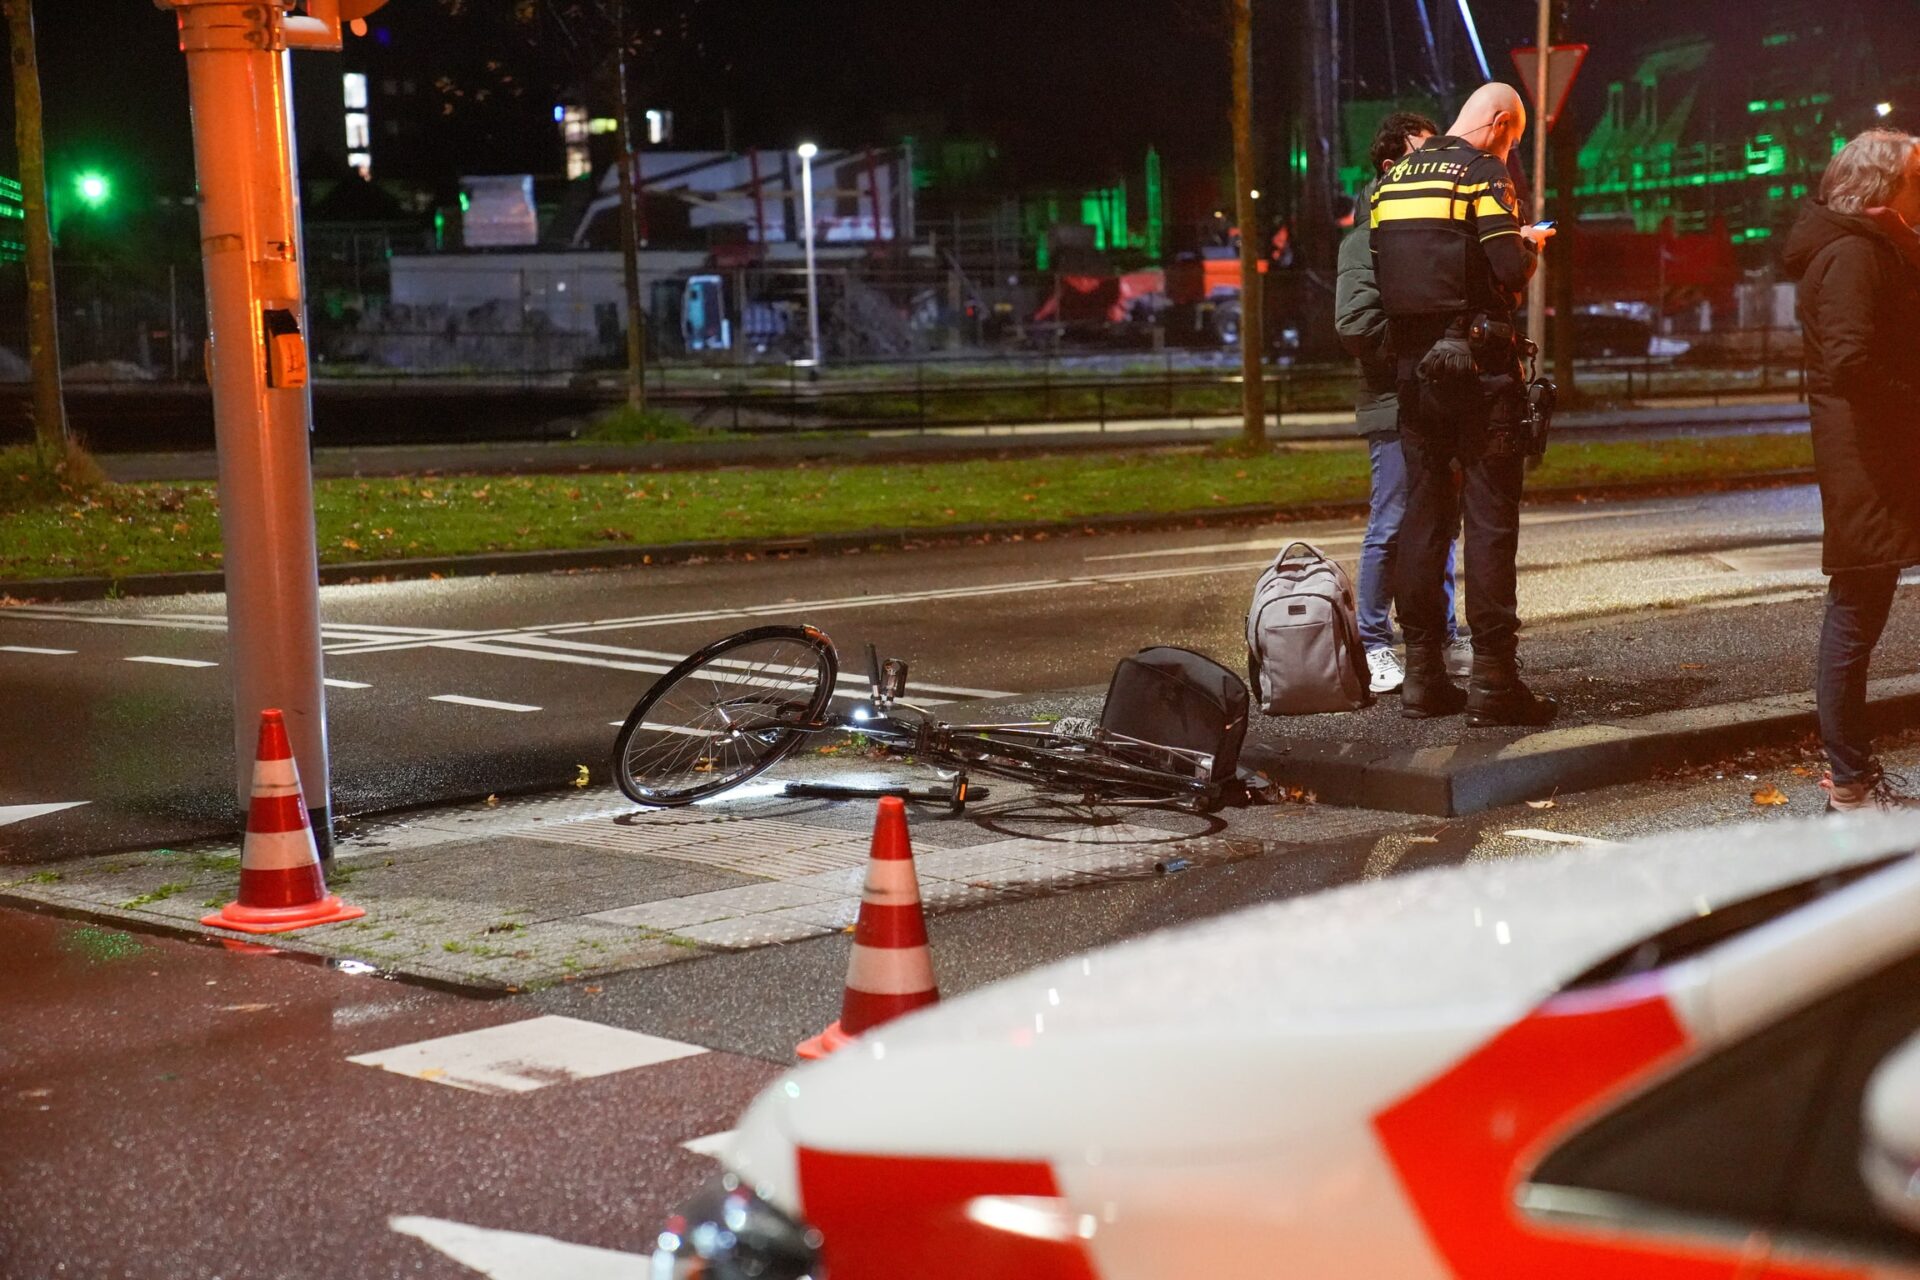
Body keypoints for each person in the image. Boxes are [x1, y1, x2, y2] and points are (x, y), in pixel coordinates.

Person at [1369, 83, 1557, 724]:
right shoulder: (1481, 174)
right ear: (1501, 124)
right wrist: (1529, 244)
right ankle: (1495, 685)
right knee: (1489, 523)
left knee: (1423, 522)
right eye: (1513, 140)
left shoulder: (1390, 185)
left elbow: (1387, 272)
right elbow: (1506, 270)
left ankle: (1422, 677)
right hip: (1482, 376)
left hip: (1415, 378)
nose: (1510, 153)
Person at [1782, 127, 1920, 811]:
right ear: (1887, 186)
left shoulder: (1874, 249)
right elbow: (1852, 361)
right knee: (1857, 610)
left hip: (1883, 453)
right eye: (1917, 178)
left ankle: (1852, 775)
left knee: (1861, 607)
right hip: (1868, 457)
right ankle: (1850, 779)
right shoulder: (1852, 256)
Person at [1335, 109, 1471, 695]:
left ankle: (1440, 632)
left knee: (1436, 520)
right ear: (1392, 167)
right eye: (1424, 155)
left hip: (1428, 397)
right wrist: (1419, 350)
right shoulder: (1365, 239)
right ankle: (1374, 642)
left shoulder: (1428, 233)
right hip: (1395, 399)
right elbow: (1356, 323)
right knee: (1391, 522)